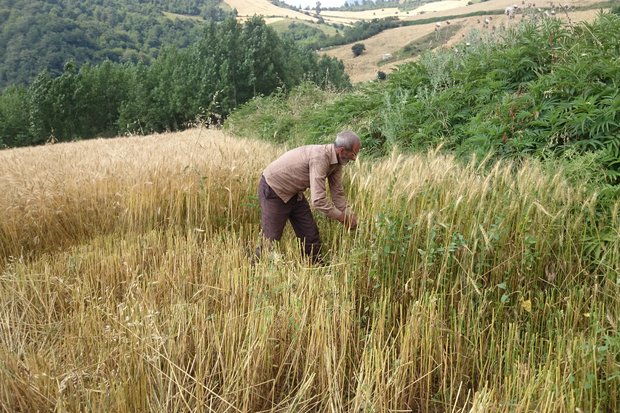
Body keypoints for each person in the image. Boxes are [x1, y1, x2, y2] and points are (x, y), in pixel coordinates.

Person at [256, 130, 361, 264]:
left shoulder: (337, 162)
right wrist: (342, 218)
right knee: (270, 238)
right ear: (341, 150)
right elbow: (318, 200)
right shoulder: (320, 158)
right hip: (274, 189)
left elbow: (337, 193)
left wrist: (348, 214)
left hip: (295, 193)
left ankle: (316, 267)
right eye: (353, 154)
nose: (354, 158)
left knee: (310, 235)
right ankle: (257, 271)